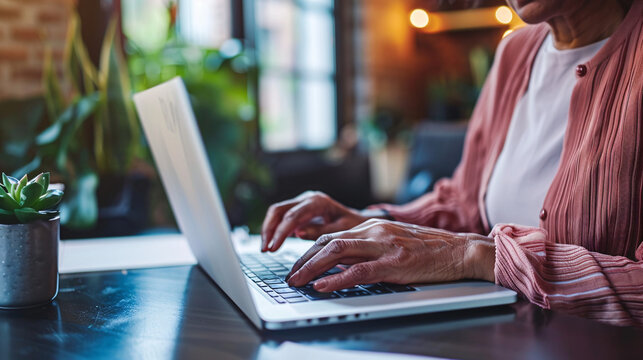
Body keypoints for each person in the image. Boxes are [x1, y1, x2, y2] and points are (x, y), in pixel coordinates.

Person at [260, 0, 643, 327]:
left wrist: (476, 255)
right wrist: (368, 221)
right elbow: (465, 202)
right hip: (499, 332)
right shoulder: (516, 52)